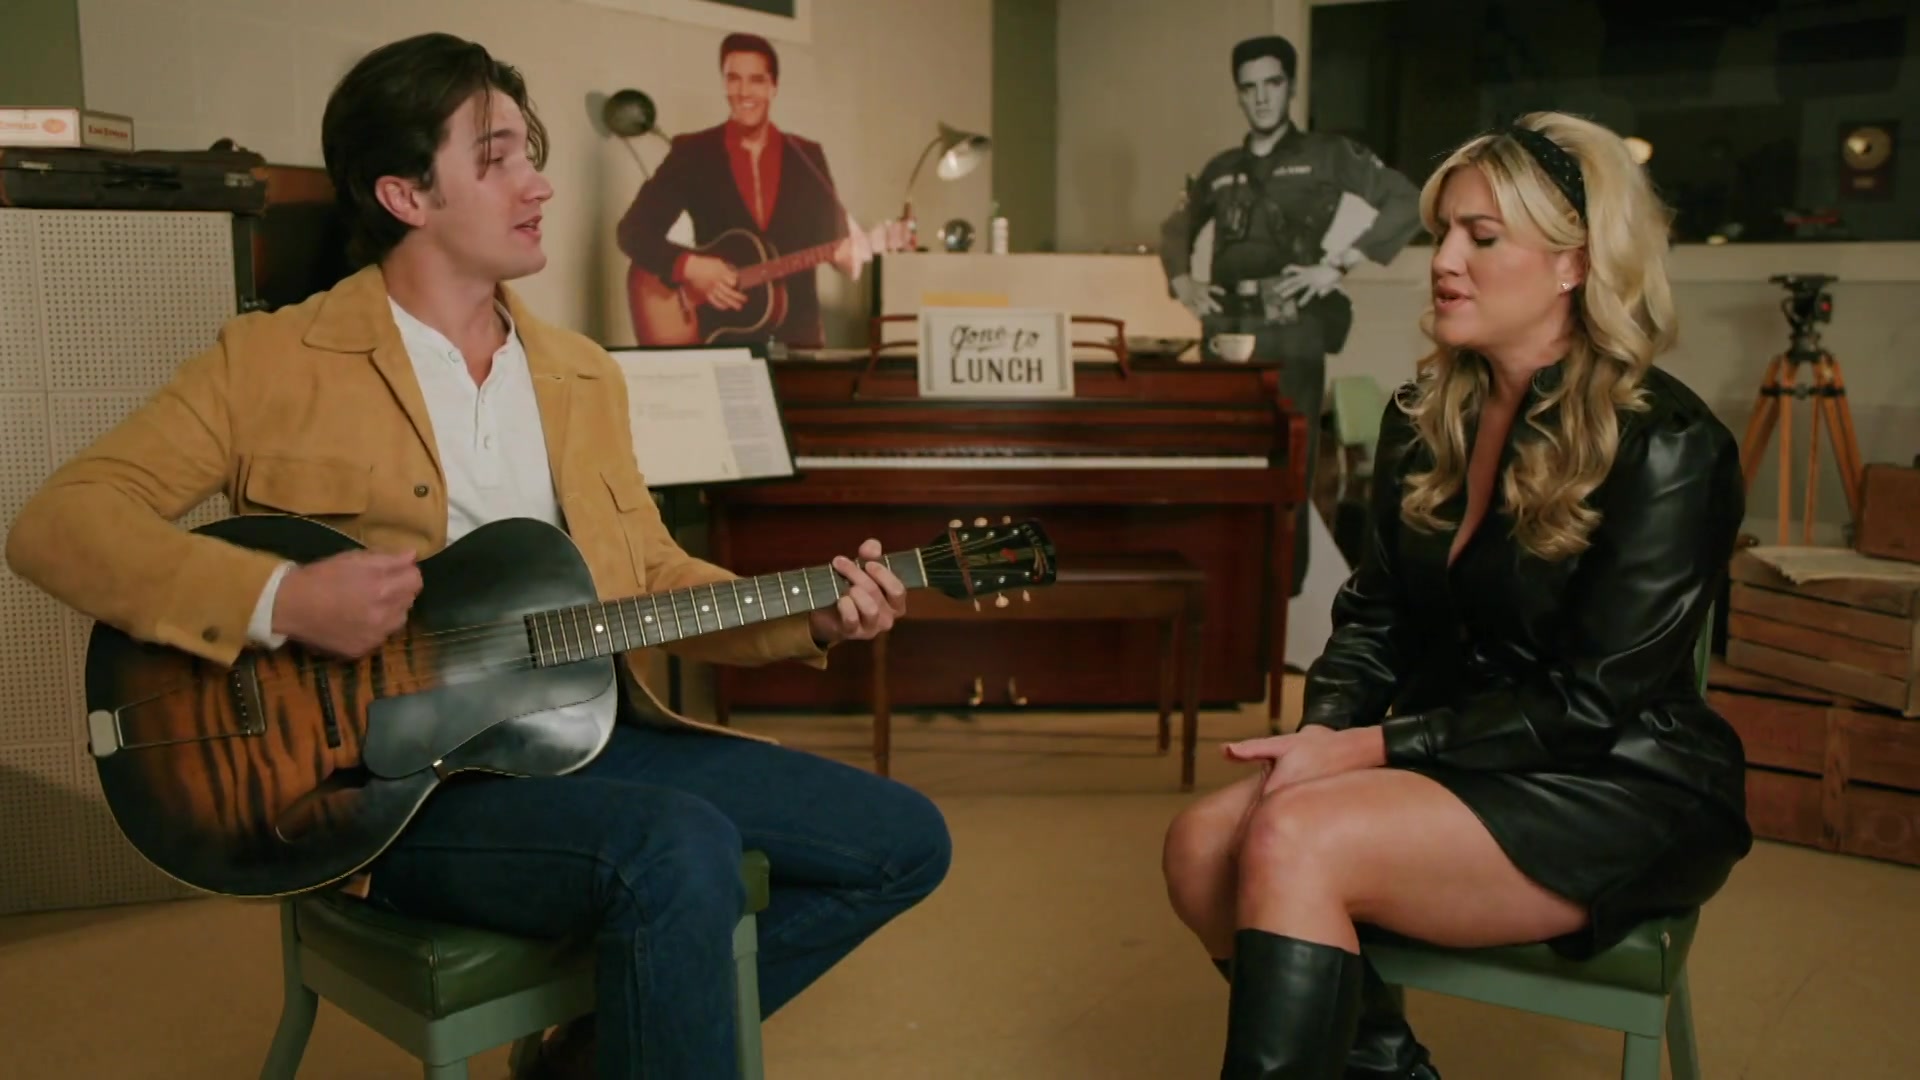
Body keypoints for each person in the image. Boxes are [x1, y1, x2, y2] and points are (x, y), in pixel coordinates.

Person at [3, 32, 951, 1080]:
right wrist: (282, 598)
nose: (538, 184)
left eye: (529, 154)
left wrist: (809, 614)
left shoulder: (583, 375)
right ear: (405, 194)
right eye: (496, 158)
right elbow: (59, 524)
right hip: (391, 791)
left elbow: (649, 578)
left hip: (583, 729)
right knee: (678, 847)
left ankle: (589, 1061)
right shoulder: (269, 361)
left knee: (901, 841)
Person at [1160, 110, 1754, 1079]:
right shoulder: (1424, 417)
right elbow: (1376, 618)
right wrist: (1325, 735)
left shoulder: (1671, 447)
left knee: (1295, 840)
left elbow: (1592, 702)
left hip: (1616, 783)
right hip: (1459, 754)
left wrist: (1369, 750)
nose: (1443, 261)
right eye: (1443, 233)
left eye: (1483, 237)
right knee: (1198, 847)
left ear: (1572, 264)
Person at [1160, 34, 1421, 596]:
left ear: (1291, 87)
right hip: (1226, 331)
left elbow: (1405, 200)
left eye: (1272, 84)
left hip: (1290, 331)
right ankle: (1224, 587)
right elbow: (1177, 227)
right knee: (1222, 461)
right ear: (1238, 94)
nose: (1260, 98)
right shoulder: (1222, 169)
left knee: (1288, 466)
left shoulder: (1327, 155)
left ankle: (1281, 596)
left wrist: (1338, 264)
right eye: (1248, 87)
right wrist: (1182, 280)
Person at [616, 32, 901, 349]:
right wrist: (691, 267)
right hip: (720, 342)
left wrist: (853, 254)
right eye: (733, 79)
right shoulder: (693, 153)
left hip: (798, 345)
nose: (744, 92)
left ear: (773, 87)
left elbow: (835, 245)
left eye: (756, 80)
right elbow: (633, 231)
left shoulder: (807, 156)